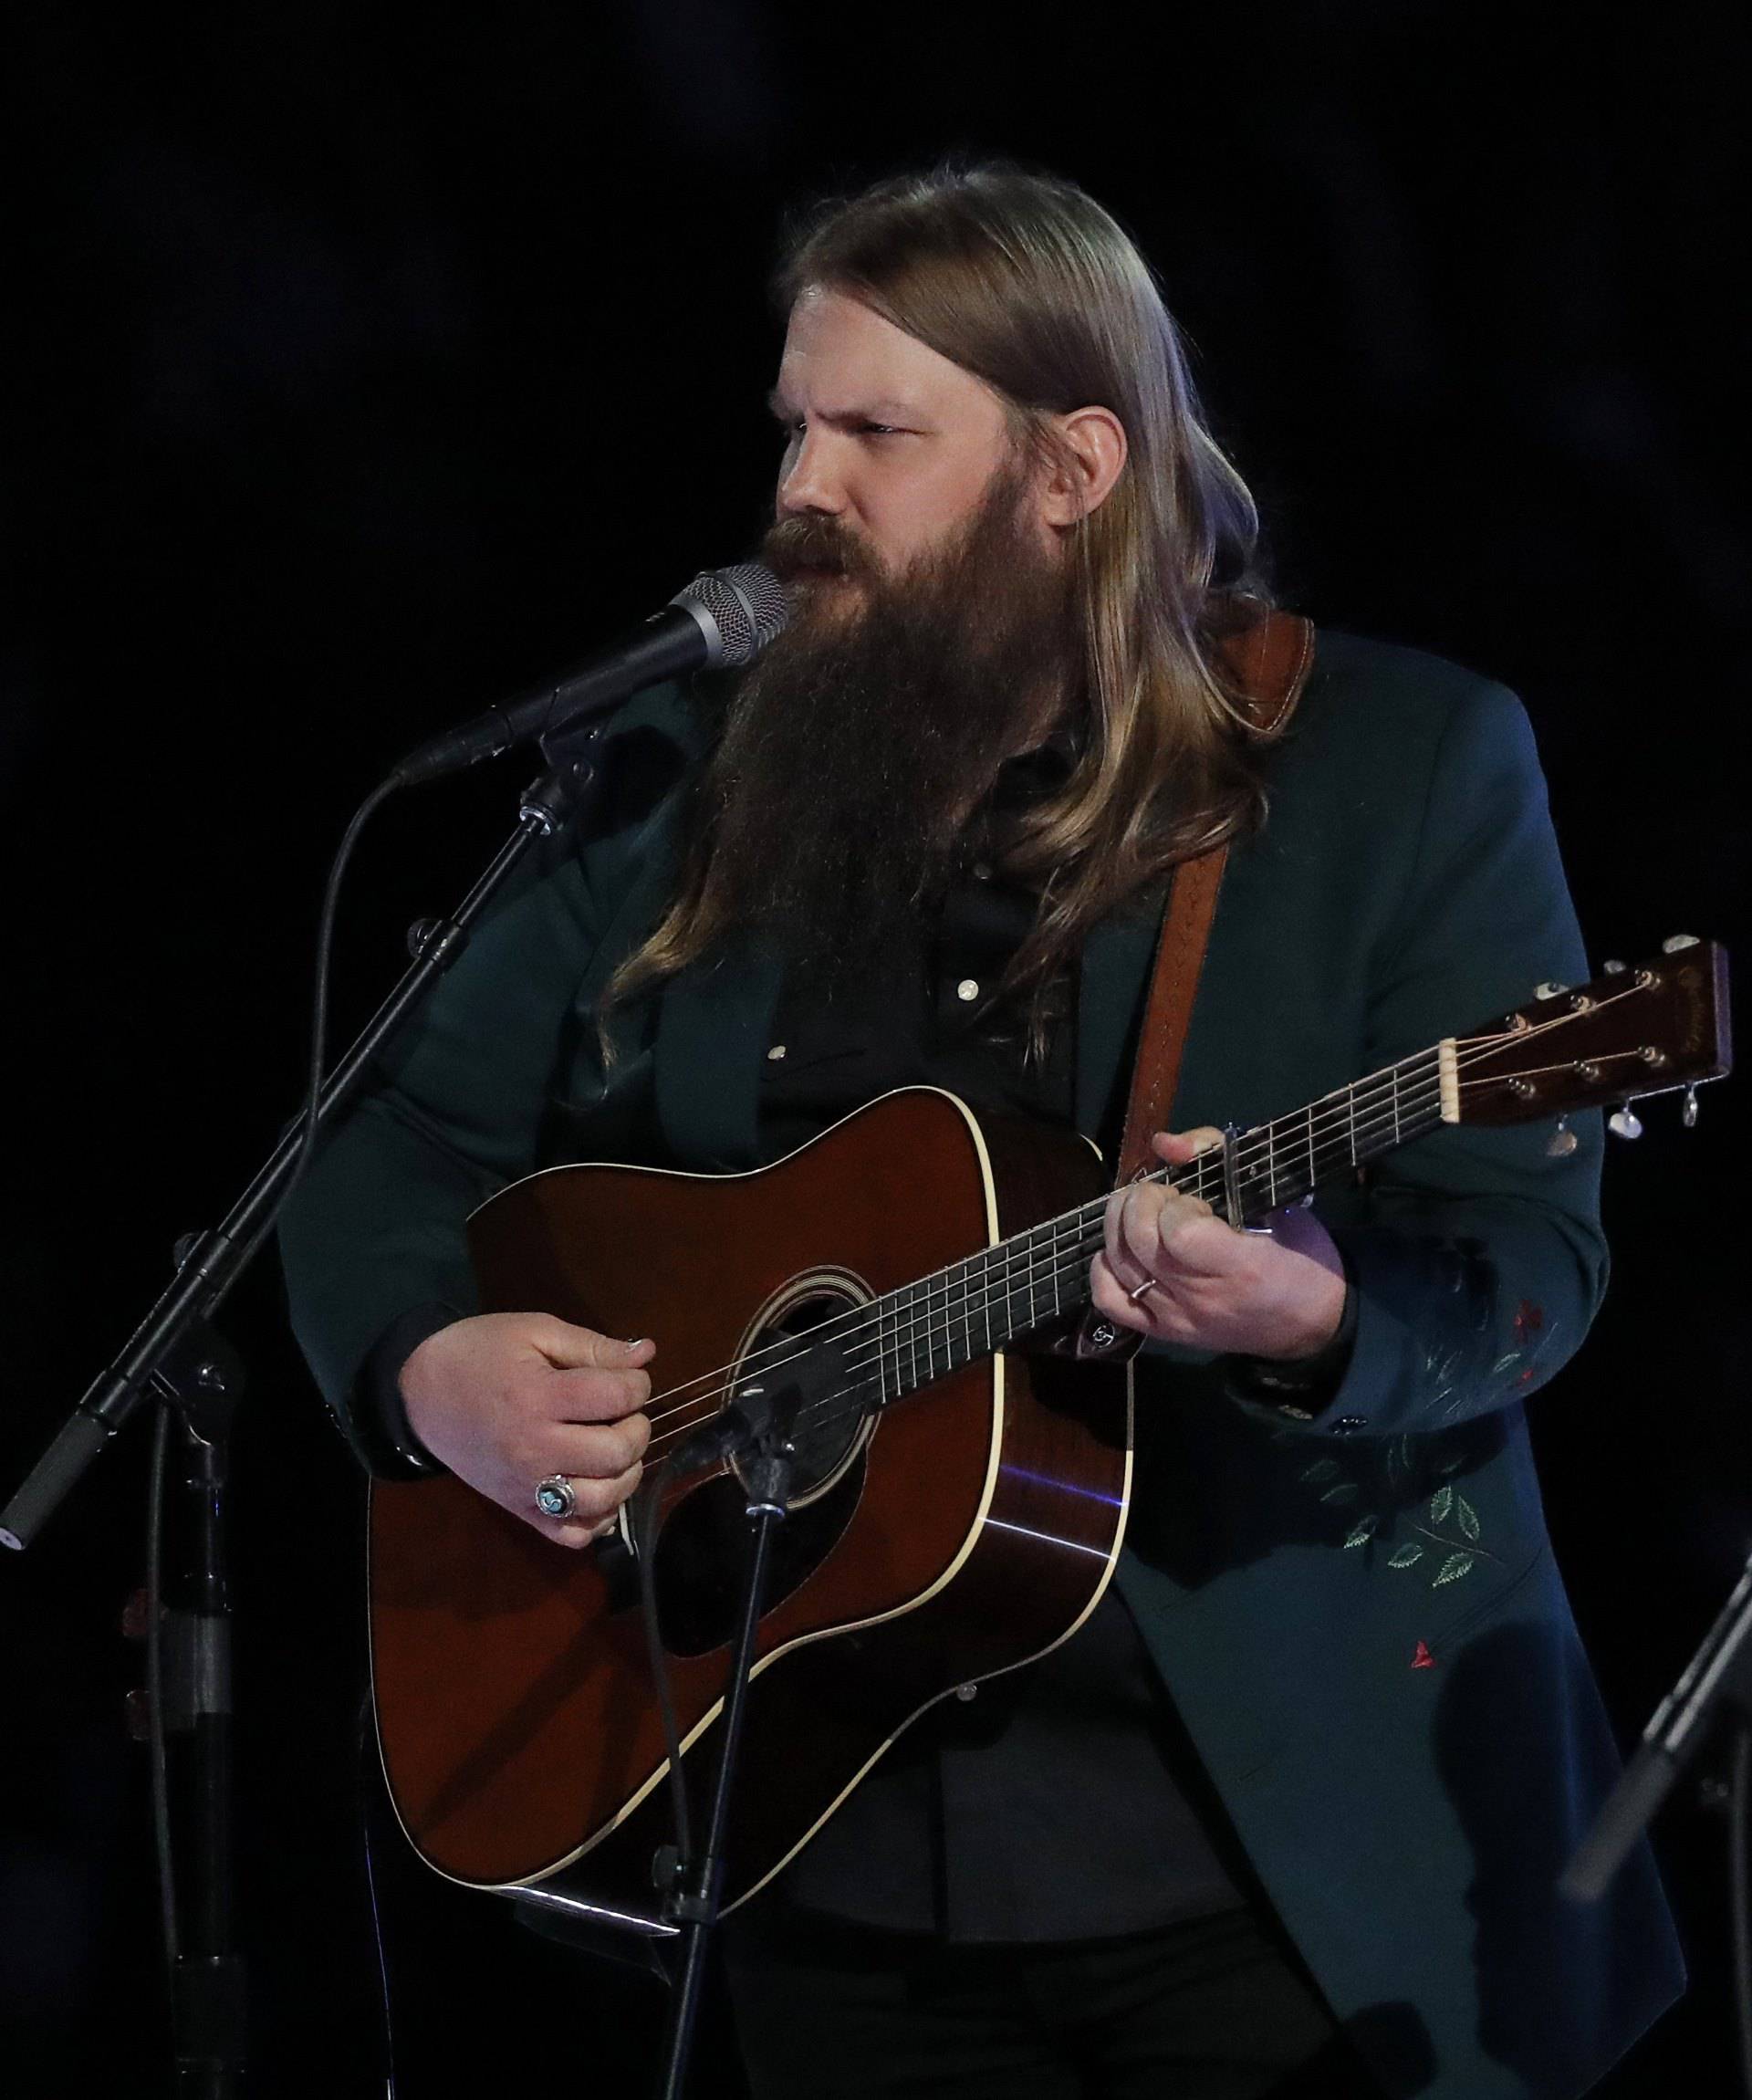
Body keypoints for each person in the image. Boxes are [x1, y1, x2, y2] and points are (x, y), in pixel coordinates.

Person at [281, 164, 1684, 2098]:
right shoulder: (691, 770)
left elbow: (1531, 1263)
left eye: (876, 431)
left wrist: (1311, 1311)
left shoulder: (1397, 765)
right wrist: (427, 1357)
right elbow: (382, 1136)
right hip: (814, 1841)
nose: (806, 486)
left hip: (1269, 1866)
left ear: (1071, 467)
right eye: (795, 421)